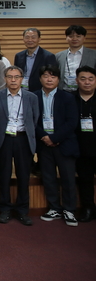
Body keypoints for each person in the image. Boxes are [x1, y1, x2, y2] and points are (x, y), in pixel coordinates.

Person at [0, 66, 39, 226]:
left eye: (17, 77)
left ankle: (22, 210)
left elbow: (35, 118)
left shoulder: (31, 97)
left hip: (23, 138)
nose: (13, 80)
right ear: (5, 79)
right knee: (4, 175)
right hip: (4, 139)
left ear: (22, 79)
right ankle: (4, 209)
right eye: (10, 77)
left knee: (24, 176)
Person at [35, 65, 79, 227]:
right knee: (48, 177)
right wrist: (44, 137)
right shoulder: (34, 97)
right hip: (44, 143)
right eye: (45, 76)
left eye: (52, 77)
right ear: (40, 78)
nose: (49, 79)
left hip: (64, 143)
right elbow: (32, 120)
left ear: (58, 79)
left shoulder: (67, 98)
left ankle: (69, 209)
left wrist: (55, 137)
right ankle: (54, 207)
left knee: (67, 178)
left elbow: (72, 122)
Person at [74, 66, 96, 222]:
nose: (87, 82)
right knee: (85, 180)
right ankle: (88, 207)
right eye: (83, 79)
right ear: (76, 81)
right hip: (80, 148)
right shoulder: (70, 98)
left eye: (90, 79)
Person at [56, 25, 96, 91]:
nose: (74, 39)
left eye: (78, 36)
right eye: (71, 36)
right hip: (64, 92)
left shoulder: (94, 54)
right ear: (66, 38)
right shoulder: (59, 56)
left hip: (87, 92)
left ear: (84, 38)